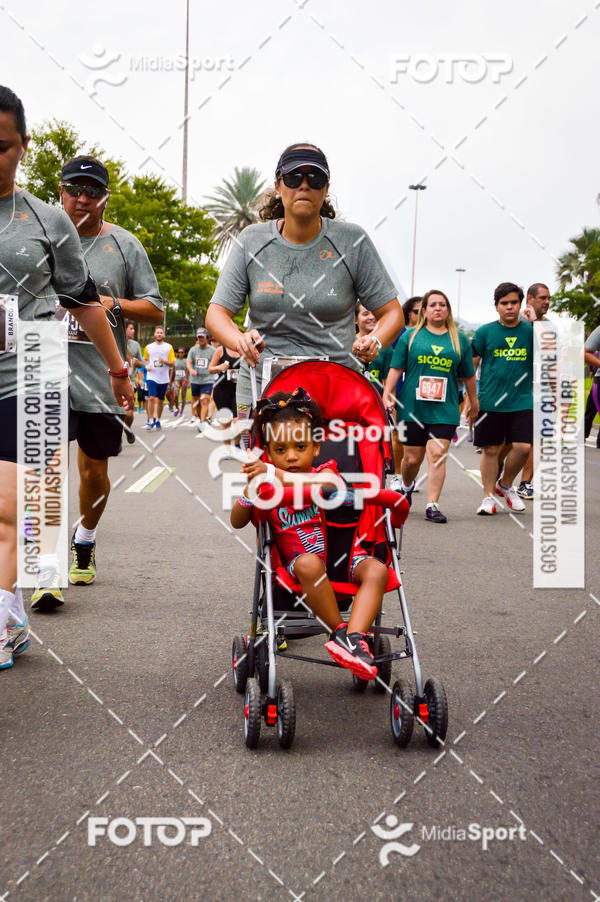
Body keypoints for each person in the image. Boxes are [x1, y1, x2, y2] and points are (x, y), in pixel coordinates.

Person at [0, 86, 132, 663]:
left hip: (27, 370)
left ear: (23, 147)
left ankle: (10, 613)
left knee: (11, 505)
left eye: (2, 145)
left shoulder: (45, 221)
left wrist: (119, 368)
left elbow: (82, 301)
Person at [205, 143, 404, 432]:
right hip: (264, 388)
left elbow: (393, 313)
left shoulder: (352, 241)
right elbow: (216, 314)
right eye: (294, 177)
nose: (304, 186)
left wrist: (375, 341)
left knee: (332, 475)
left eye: (315, 179)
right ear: (278, 186)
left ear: (326, 189)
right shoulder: (252, 241)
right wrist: (238, 340)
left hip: (334, 388)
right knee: (265, 475)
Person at [50, 157, 162, 595]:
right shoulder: (42, 235)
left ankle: (85, 539)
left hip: (100, 376)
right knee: (45, 468)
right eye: (75, 189)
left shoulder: (125, 245)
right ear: (60, 191)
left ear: (105, 198)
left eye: (92, 192)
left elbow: (154, 309)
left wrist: (110, 303)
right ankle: (46, 562)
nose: (83, 199)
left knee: (94, 471)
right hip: (47, 370)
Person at [230, 388, 389, 680]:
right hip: (296, 567)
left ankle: (355, 638)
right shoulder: (266, 488)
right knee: (308, 564)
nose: (291, 456)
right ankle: (339, 633)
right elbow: (237, 521)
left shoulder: (327, 471)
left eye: (300, 447)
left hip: (344, 559)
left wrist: (272, 472)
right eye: (280, 450)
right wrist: (249, 493)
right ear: (268, 451)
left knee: (378, 571)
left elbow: (329, 488)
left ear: (316, 447)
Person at [382, 290, 478, 523]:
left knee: (437, 454)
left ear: (448, 310)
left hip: (445, 408)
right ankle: (406, 485)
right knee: (412, 459)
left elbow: (468, 375)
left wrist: (473, 401)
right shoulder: (411, 336)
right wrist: (387, 393)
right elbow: (396, 368)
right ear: (424, 310)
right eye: (433, 304)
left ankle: (432, 505)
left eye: (443, 305)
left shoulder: (458, 340)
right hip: (413, 408)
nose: (438, 308)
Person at [471, 282, 534, 516]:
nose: (509, 307)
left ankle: (505, 485)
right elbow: (473, 364)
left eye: (514, 303)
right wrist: (470, 398)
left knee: (523, 447)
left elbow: (551, 354)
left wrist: (536, 321)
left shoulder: (531, 331)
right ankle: (488, 497)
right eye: (504, 303)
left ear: (521, 304)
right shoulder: (485, 332)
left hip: (522, 400)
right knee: (491, 449)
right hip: (490, 400)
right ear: (496, 306)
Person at [208, 342, 240, 453]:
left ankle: (237, 444)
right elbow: (210, 368)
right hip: (222, 390)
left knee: (237, 420)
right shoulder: (221, 350)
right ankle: (227, 448)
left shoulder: (243, 351)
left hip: (239, 391)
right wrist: (220, 367)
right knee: (225, 421)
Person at [144, 326, 174, 429]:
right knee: (152, 397)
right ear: (154, 334)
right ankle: (151, 420)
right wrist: (146, 365)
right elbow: (146, 359)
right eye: (157, 333)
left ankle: (157, 419)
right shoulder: (148, 347)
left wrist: (164, 361)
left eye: (161, 333)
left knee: (160, 400)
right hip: (151, 376)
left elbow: (172, 363)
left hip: (163, 378)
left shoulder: (168, 347)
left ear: (164, 335)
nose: (159, 334)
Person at [187, 327, 214, 427]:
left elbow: (216, 362)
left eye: (202, 337)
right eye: (199, 337)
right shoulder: (193, 350)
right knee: (197, 402)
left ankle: (202, 422)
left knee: (205, 399)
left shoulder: (212, 350)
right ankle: (201, 417)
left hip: (207, 379)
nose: (200, 339)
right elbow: (188, 362)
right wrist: (190, 369)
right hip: (195, 380)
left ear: (206, 337)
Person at [126, 321, 144, 438]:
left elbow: (141, 363)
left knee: (129, 413)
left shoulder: (135, 345)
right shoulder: (115, 341)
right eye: (131, 328)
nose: (133, 331)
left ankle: (127, 428)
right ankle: (117, 437)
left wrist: (137, 363)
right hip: (113, 381)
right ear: (124, 329)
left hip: (130, 382)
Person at [171, 347, 189, 417]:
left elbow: (188, 371)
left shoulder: (186, 360)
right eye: (179, 352)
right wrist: (170, 380)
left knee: (183, 396)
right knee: (175, 395)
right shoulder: (175, 360)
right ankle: (177, 408)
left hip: (184, 379)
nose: (180, 354)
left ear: (184, 353)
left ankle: (181, 410)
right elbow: (172, 370)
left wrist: (187, 380)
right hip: (176, 379)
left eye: (182, 352)